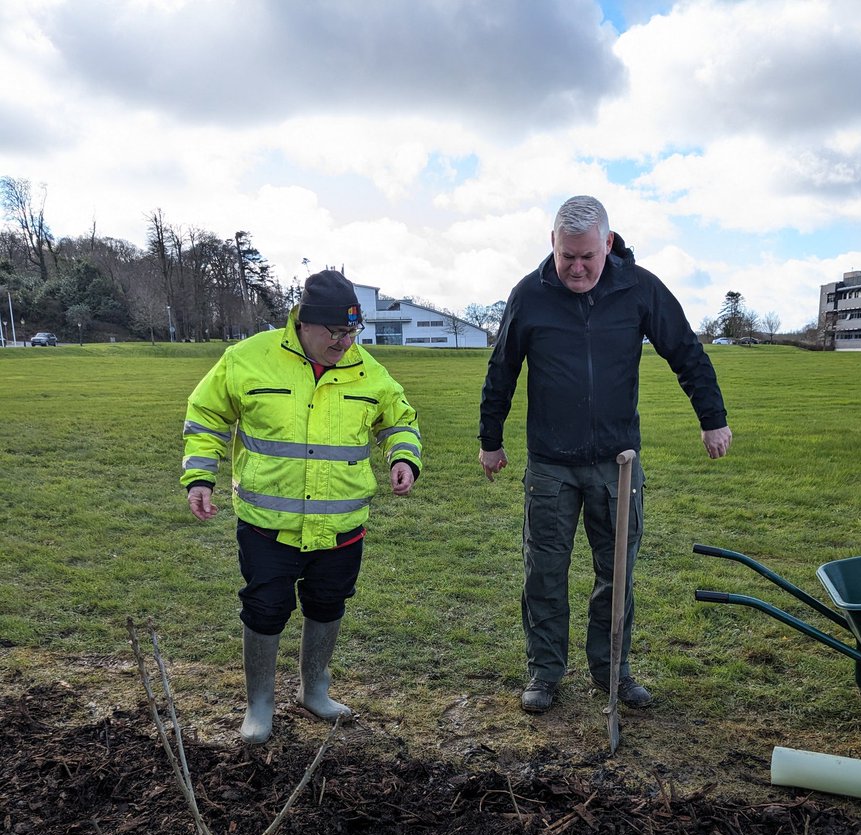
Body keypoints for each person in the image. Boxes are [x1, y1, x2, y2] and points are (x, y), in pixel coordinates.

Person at [478, 195, 731, 714]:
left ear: (608, 244)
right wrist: (490, 439)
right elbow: (502, 368)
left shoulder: (640, 289)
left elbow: (686, 351)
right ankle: (545, 674)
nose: (575, 267)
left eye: (586, 257)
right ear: (552, 244)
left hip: (619, 464)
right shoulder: (529, 294)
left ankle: (612, 671)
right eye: (566, 256)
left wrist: (713, 419)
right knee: (544, 574)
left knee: (615, 575)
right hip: (550, 465)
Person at [182, 269, 422, 743]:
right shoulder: (247, 359)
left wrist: (404, 457)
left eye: (352, 331)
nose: (344, 342)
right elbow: (206, 415)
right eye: (335, 332)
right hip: (267, 523)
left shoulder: (367, 369)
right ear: (304, 323)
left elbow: (399, 419)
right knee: (266, 608)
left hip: (340, 524)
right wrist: (200, 476)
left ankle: (315, 690)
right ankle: (260, 705)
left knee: (328, 603)